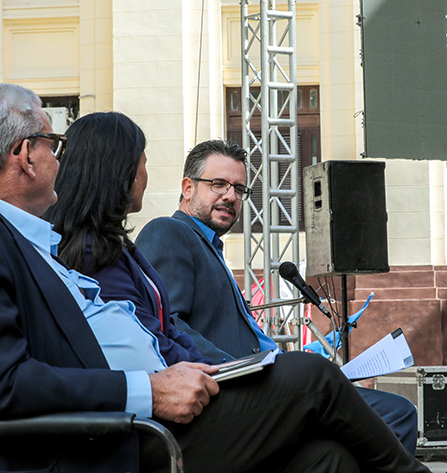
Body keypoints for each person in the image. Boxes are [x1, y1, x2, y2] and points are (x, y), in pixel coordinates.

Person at [0, 85, 429, 473]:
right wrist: (149, 390)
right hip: (102, 444)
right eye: (53, 144)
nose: (59, 158)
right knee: (313, 378)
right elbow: (2, 386)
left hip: (129, 425)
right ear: (26, 155)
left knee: (329, 460)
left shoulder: (13, 233)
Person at [132, 139, 421, 455]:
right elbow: (167, 325)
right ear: (188, 188)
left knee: (345, 437)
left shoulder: (209, 247)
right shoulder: (169, 232)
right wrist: (247, 371)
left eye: (239, 189)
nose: (230, 196)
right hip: (238, 394)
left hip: (267, 386)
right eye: (218, 184)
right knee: (397, 414)